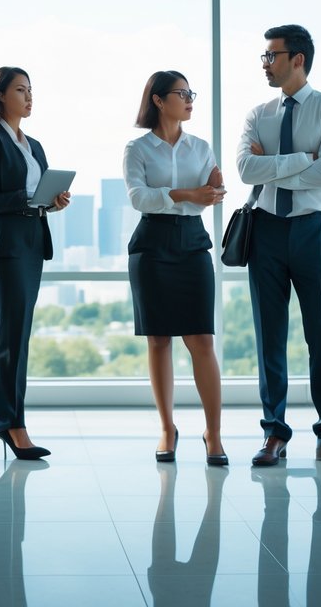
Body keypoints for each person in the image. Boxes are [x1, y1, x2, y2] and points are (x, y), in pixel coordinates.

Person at [234, 24, 321, 469]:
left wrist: (273, 166)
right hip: (265, 232)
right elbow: (247, 170)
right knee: (270, 337)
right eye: (264, 57)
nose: (265, 64)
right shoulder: (258, 113)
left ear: (297, 59)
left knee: (320, 338)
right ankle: (274, 434)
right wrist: (298, 161)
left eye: (272, 56)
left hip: (312, 231)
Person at [123, 70, 227, 466]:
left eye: (190, 93)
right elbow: (139, 198)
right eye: (181, 94)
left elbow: (211, 198)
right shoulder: (138, 149)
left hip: (192, 242)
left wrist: (207, 193)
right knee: (158, 339)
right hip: (151, 245)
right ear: (158, 100)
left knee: (201, 339)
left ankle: (213, 433)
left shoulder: (200, 147)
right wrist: (187, 193)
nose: (189, 100)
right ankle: (167, 428)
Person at [0, 66, 69, 460]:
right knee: (9, 338)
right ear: (0, 96)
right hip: (7, 246)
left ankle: (13, 422)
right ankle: (8, 424)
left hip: (32, 243)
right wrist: (28, 198)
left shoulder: (36, 146)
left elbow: (39, 193)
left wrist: (52, 200)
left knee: (21, 335)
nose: (29, 97)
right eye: (20, 90)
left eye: (31, 90)